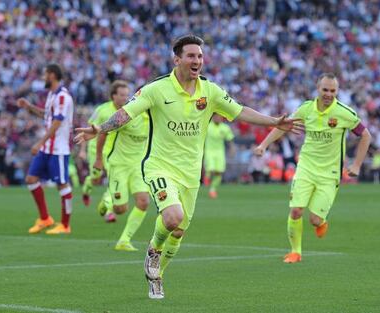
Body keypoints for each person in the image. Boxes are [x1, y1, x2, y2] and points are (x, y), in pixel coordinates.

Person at [75, 34, 303, 299]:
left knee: (180, 230)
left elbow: (240, 111)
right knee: (172, 217)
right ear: (177, 59)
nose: (197, 61)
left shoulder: (211, 91)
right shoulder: (156, 89)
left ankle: (157, 275)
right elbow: (127, 112)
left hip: (191, 174)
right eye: (191, 56)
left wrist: (274, 121)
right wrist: (99, 128)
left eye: (200, 56)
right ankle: (153, 250)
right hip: (159, 167)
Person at [254, 73, 372, 263]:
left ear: (337, 91)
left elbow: (366, 135)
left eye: (332, 90)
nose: (328, 94)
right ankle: (295, 252)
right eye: (325, 89)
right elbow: (283, 126)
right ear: (318, 89)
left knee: (314, 220)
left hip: (329, 174)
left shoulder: (344, 113)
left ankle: (321, 222)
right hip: (306, 168)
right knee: (296, 210)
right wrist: (263, 145)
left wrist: (356, 165)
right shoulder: (306, 109)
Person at [17, 63, 74, 234]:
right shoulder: (52, 95)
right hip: (47, 149)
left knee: (62, 185)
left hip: (58, 149)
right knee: (31, 179)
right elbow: (47, 115)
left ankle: (65, 225)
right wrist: (29, 107)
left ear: (52, 75)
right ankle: (45, 218)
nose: (44, 77)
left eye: (45, 74)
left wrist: (40, 142)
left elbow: (57, 122)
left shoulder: (63, 97)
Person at [101, 81, 151, 252]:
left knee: (144, 202)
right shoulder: (129, 116)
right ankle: (107, 203)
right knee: (121, 209)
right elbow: (103, 132)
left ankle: (124, 240)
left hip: (138, 166)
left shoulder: (154, 119)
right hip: (119, 165)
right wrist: (98, 160)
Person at [79, 80, 129, 223]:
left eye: (126, 95)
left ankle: (108, 209)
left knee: (113, 180)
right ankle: (87, 188)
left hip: (115, 151)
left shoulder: (128, 111)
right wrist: (82, 150)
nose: (125, 98)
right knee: (96, 179)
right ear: (113, 96)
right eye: (121, 95)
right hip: (96, 150)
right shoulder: (102, 110)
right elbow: (88, 130)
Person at [204, 114, 235, 198]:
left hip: (220, 152)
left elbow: (230, 139)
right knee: (211, 169)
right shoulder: (207, 126)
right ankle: (207, 177)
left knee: (219, 172)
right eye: (216, 116)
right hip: (209, 150)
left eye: (219, 117)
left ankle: (212, 190)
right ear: (213, 117)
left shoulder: (225, 128)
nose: (217, 118)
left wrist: (232, 149)